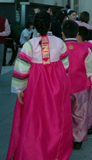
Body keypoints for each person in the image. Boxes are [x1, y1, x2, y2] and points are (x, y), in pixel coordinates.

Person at [6, 12, 72, 160]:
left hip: (35, 87)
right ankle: (55, 152)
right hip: (56, 86)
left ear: (35, 26)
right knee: (55, 119)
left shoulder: (29, 45)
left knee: (34, 119)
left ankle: (34, 152)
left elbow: (21, 69)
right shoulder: (59, 42)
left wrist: (19, 89)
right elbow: (65, 66)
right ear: (50, 25)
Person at [62, 20, 92, 150]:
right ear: (77, 33)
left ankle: (64, 137)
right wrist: (91, 80)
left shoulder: (59, 47)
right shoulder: (85, 48)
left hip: (62, 87)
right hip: (81, 84)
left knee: (63, 113)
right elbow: (91, 67)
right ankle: (77, 139)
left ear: (63, 34)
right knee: (80, 112)